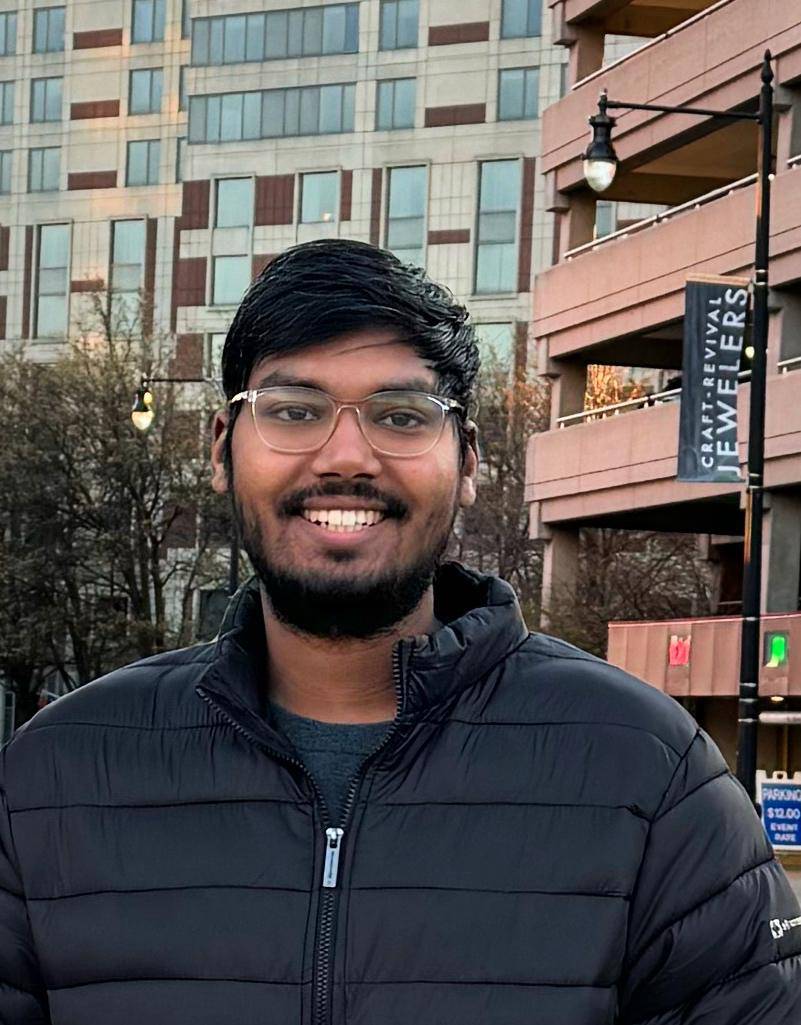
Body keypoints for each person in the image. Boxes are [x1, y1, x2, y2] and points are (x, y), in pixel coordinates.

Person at [0, 239, 799, 1025]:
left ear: (469, 460)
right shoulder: (50, 781)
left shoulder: (647, 773)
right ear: (221, 446)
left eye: (400, 414)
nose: (345, 454)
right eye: (293, 410)